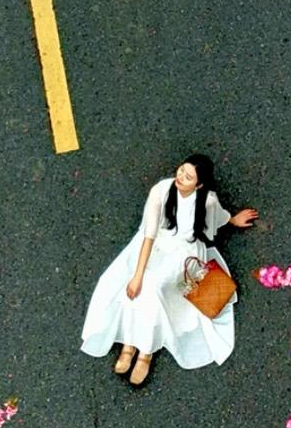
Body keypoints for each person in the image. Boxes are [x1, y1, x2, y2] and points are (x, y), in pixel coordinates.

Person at [80, 154, 258, 387]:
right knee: (140, 285)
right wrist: (138, 275)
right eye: (182, 171)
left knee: (153, 287)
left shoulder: (207, 201)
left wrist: (234, 220)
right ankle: (132, 346)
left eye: (188, 176)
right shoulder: (161, 191)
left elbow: (219, 217)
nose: (181, 177)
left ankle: (143, 351)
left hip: (185, 253)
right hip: (154, 246)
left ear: (199, 184)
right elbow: (149, 235)